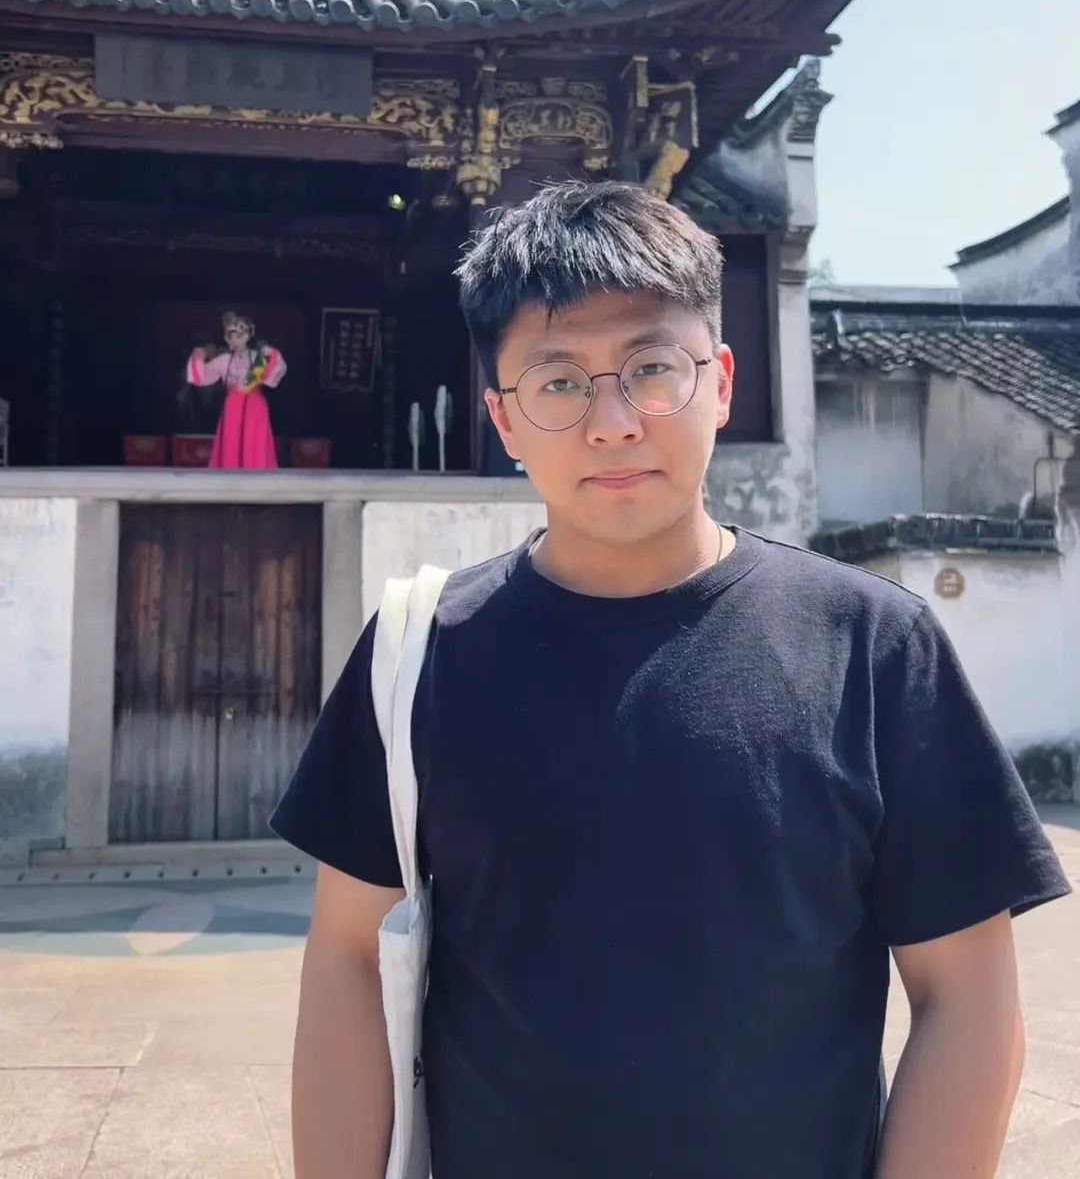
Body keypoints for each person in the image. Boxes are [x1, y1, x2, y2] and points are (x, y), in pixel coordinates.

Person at [272, 180, 1070, 1179]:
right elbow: (347, 959)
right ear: (503, 420)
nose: (612, 422)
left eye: (652, 368)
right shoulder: (421, 653)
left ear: (721, 382)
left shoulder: (873, 649)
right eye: (558, 382)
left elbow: (968, 996)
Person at [186, 310, 285, 469]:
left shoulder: (258, 357)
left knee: (254, 443)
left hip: (255, 406)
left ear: (248, 335)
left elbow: (272, 374)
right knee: (231, 442)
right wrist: (200, 354)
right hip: (232, 406)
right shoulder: (224, 360)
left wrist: (273, 354)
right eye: (231, 336)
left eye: (239, 335)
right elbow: (201, 377)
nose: (235, 340)